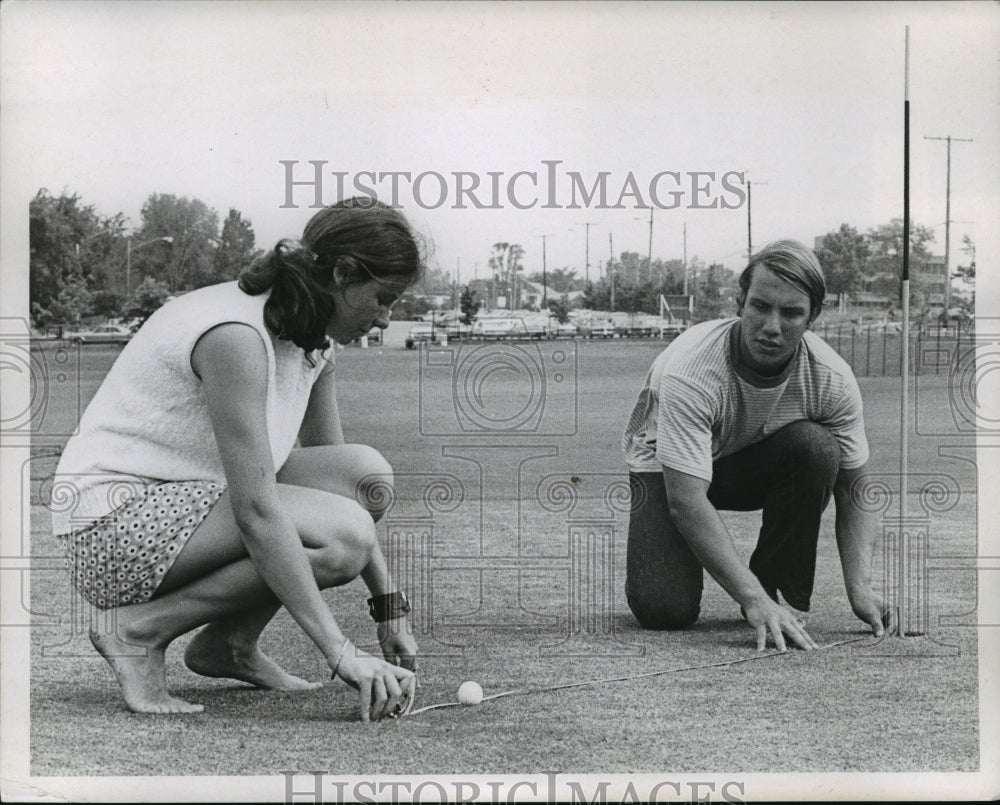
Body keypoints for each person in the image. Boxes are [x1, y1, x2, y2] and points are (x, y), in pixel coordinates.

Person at [52, 198, 421, 721]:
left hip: (192, 508)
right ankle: (136, 632)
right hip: (111, 526)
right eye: (383, 298)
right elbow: (257, 508)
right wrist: (341, 652)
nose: (386, 317)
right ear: (342, 273)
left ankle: (228, 644)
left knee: (365, 479)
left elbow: (338, 489)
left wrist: (390, 609)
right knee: (342, 540)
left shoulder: (314, 339)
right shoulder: (236, 336)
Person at [622, 240, 889, 651]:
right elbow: (687, 502)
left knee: (816, 449)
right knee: (664, 611)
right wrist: (750, 602)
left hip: (748, 461)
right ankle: (756, 595)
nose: (772, 326)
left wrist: (861, 590)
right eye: (760, 306)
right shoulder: (691, 371)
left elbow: (854, 489)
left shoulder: (832, 377)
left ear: (813, 316)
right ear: (739, 303)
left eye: (791, 312)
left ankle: (773, 588)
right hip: (667, 467)